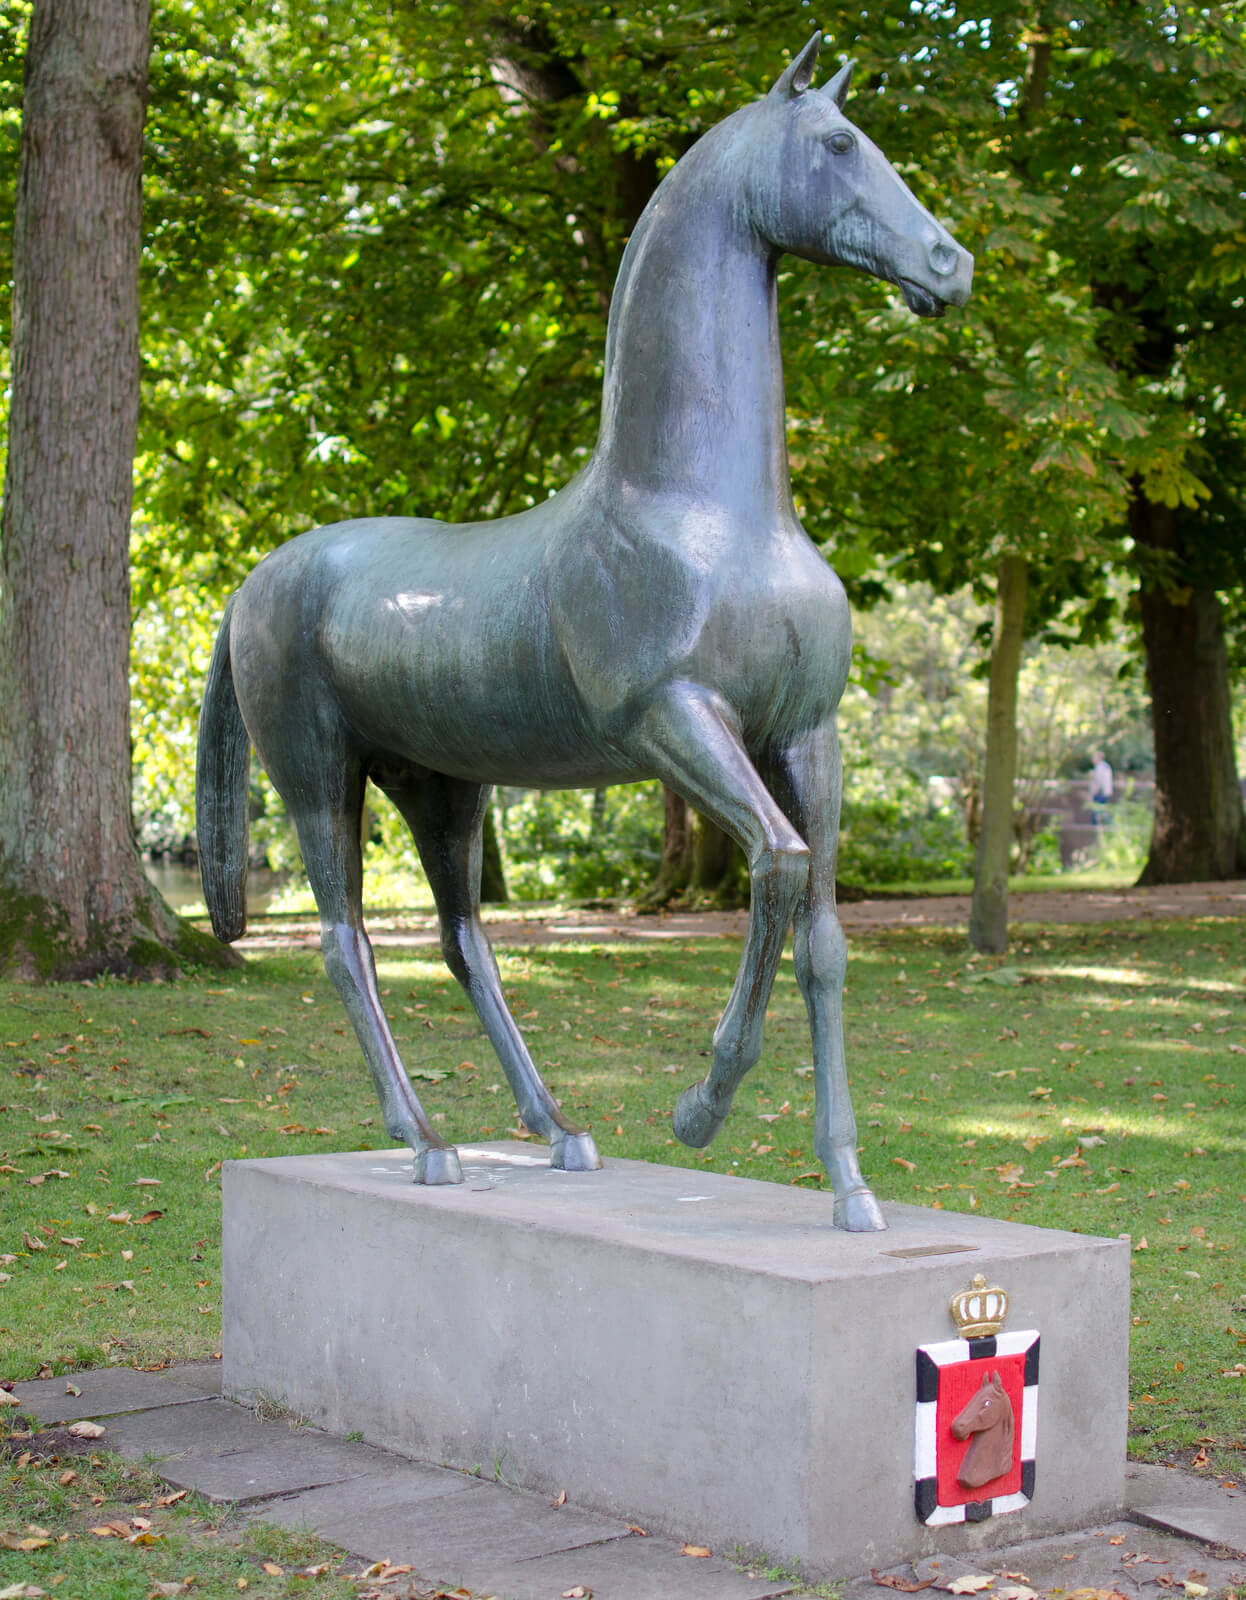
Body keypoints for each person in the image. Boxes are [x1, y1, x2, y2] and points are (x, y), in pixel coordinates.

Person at [1089, 751, 1113, 824]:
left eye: (1094, 757)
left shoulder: (1100, 767)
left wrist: (1092, 793)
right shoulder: (1105, 766)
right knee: (1103, 811)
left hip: (1100, 793)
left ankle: (1096, 830)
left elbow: (1098, 782)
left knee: (1096, 812)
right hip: (1105, 793)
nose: (1092, 759)